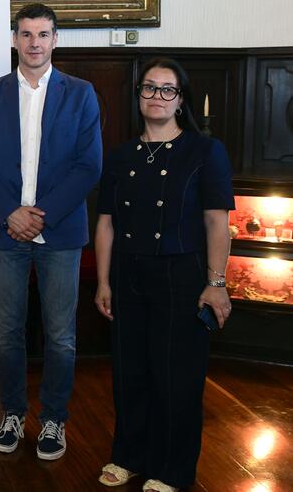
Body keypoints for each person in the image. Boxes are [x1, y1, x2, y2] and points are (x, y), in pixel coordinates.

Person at [0, 3, 102, 461]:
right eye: (26, 34)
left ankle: (54, 420)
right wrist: (11, 214)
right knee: (8, 333)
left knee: (61, 335)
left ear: (55, 40)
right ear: (14, 40)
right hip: (6, 233)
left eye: (43, 34)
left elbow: (89, 166)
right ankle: (11, 412)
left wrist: (40, 214)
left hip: (59, 234)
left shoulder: (81, 94)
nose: (34, 43)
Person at [94, 58, 234, 492]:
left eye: (166, 89)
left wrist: (216, 284)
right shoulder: (120, 155)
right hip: (129, 272)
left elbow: (216, 221)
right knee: (130, 372)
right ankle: (129, 456)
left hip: (183, 274)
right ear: (138, 97)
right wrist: (103, 281)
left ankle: (172, 470)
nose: (156, 96)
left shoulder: (204, 150)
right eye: (149, 88)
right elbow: (106, 223)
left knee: (176, 376)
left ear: (180, 99)